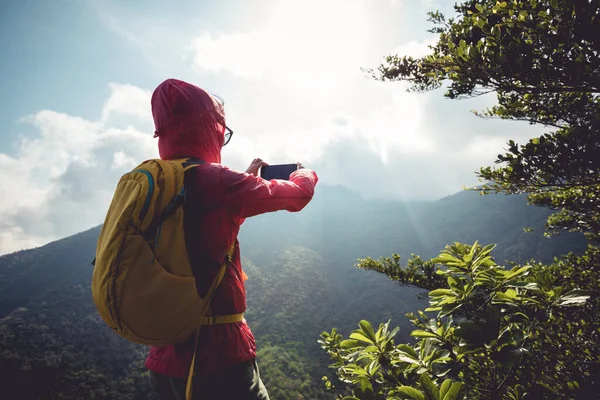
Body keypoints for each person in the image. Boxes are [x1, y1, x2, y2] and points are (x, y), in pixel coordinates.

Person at [145, 78, 318, 400]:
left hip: (163, 354)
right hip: (216, 355)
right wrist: (303, 172)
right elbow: (298, 196)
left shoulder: (156, 181)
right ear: (210, 129)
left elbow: (209, 223)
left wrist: (244, 179)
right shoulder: (217, 182)